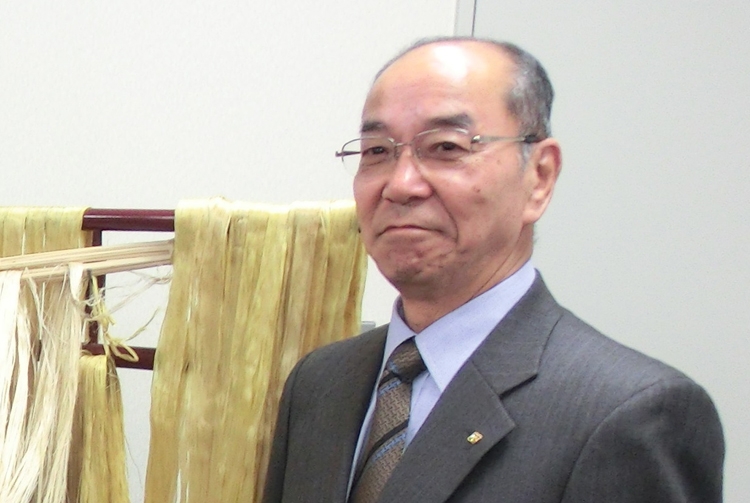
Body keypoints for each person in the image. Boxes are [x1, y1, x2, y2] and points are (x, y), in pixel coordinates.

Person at [262, 37, 724, 503]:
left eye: (445, 146)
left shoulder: (626, 413)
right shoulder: (321, 383)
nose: (400, 185)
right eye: (377, 151)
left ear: (539, 176)